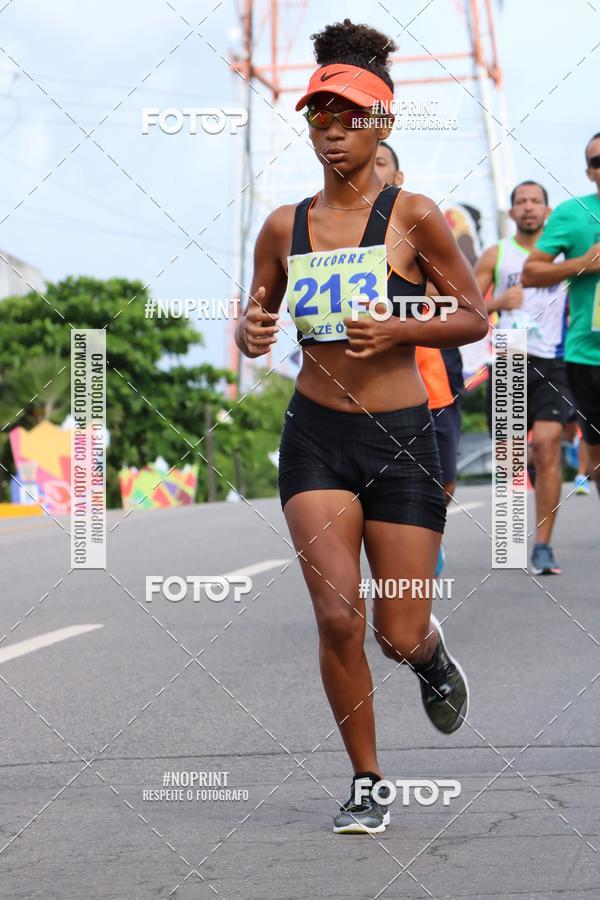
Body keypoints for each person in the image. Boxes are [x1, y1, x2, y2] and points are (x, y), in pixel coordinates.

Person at [236, 19, 488, 834]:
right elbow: (258, 314)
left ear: (379, 123)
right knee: (337, 615)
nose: (329, 132)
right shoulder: (283, 225)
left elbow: (474, 315)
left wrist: (404, 331)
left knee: (395, 629)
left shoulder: (415, 216)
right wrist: (250, 331)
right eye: (317, 117)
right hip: (315, 437)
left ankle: (429, 654)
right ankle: (368, 779)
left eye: (346, 118)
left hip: (402, 437)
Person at [376, 141, 463, 576]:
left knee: (443, 473)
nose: (371, 170)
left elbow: (461, 302)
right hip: (375, 382)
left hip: (434, 372)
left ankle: (431, 528)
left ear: (398, 176)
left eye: (380, 163)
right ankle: (404, 551)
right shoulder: (330, 229)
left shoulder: (419, 223)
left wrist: (408, 295)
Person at [476, 181, 570, 575]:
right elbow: (468, 309)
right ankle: (513, 540)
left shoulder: (565, 255)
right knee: (512, 457)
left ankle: (543, 545)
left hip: (557, 359)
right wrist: (498, 301)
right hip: (511, 355)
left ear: (548, 211)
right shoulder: (496, 255)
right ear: (511, 212)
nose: (528, 207)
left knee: (548, 445)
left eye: (536, 201)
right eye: (521, 202)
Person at [523, 134, 600, 509]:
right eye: (598, 161)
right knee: (596, 454)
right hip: (588, 355)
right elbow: (531, 272)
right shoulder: (572, 214)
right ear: (589, 171)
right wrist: (583, 263)